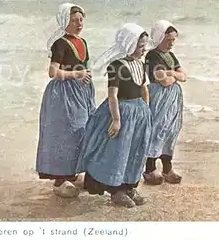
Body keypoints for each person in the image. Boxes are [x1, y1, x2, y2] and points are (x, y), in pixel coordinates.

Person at [76, 23, 152, 208]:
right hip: (122, 112)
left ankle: (129, 186)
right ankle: (116, 191)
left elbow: (143, 88)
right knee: (119, 152)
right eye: (140, 46)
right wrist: (116, 120)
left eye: (145, 46)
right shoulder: (117, 66)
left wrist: (146, 110)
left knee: (136, 151)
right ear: (128, 44)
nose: (144, 50)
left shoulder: (140, 65)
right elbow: (113, 95)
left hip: (139, 113)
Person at [36, 3, 96, 198]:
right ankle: (60, 179)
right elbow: (53, 72)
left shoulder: (83, 41)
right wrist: (74, 75)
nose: (79, 23)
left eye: (80, 19)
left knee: (81, 131)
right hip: (62, 96)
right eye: (73, 20)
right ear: (65, 21)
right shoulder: (60, 43)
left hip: (81, 93)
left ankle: (72, 172)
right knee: (65, 134)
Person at [143, 20, 187, 185]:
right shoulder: (152, 55)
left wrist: (171, 74)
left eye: (173, 40)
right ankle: (150, 168)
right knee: (157, 129)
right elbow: (163, 81)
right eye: (168, 40)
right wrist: (172, 74)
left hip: (173, 99)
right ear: (159, 37)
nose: (171, 43)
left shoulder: (170, 55)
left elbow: (183, 76)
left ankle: (167, 168)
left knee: (171, 130)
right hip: (159, 98)